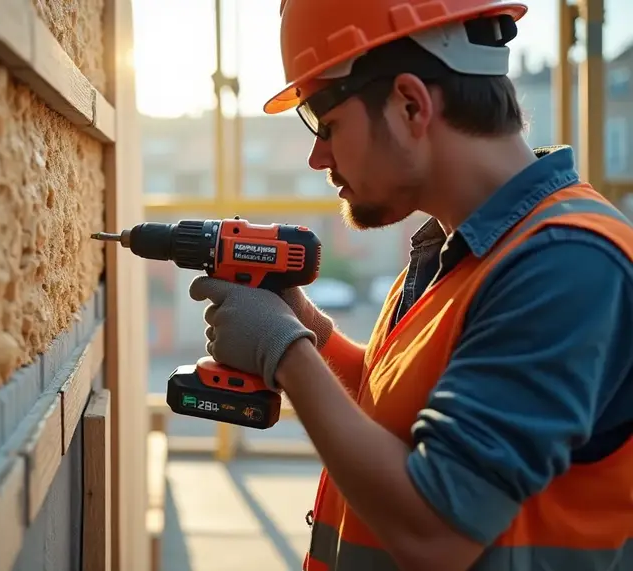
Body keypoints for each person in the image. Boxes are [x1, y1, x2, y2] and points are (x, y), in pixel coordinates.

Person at [187, 1, 633, 570]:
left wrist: (285, 353)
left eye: (326, 123)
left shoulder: (565, 265)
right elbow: (393, 416)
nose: (317, 155)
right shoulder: (460, 248)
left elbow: (437, 532)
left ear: (409, 104)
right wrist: (312, 333)